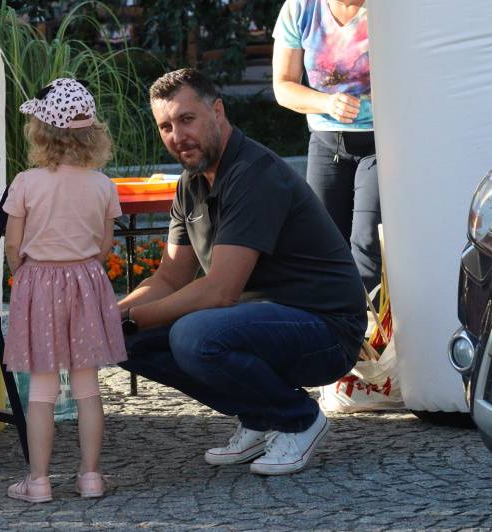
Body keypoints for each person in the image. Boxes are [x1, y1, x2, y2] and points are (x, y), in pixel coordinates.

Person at [118, 68, 366, 475]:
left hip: (327, 329)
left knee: (194, 335)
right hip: (260, 322)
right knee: (123, 342)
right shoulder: (190, 183)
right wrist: (110, 318)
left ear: (217, 111)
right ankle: (260, 415)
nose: (177, 136)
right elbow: (169, 279)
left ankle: (298, 418)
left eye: (186, 119)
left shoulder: (254, 174)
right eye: (165, 126)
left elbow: (219, 291)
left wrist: (130, 318)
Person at [3, 78, 127, 503]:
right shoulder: (103, 186)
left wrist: (24, 274)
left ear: (41, 131)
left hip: (39, 282)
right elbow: (105, 244)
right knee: (88, 387)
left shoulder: (26, 183)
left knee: (42, 390)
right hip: (86, 283)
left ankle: (38, 481)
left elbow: (13, 246)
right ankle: (90, 476)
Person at [272, 0, 381, 293]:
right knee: (322, 243)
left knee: (367, 241)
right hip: (326, 142)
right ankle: (329, 316)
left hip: (380, 142)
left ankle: (366, 318)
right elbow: (283, 86)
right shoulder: (300, 8)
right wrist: (328, 103)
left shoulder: (390, 9)